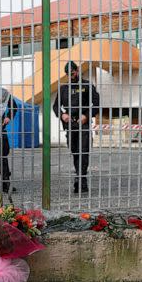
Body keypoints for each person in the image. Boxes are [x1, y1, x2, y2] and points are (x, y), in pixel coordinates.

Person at [52, 61, 100, 193]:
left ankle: (81, 180)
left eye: (72, 73)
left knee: (83, 152)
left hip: (83, 123)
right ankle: (80, 177)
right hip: (71, 125)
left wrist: (87, 115)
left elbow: (96, 103)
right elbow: (56, 106)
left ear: (77, 70)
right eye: (68, 74)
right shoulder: (63, 88)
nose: (71, 76)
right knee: (75, 152)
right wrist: (62, 115)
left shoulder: (86, 86)